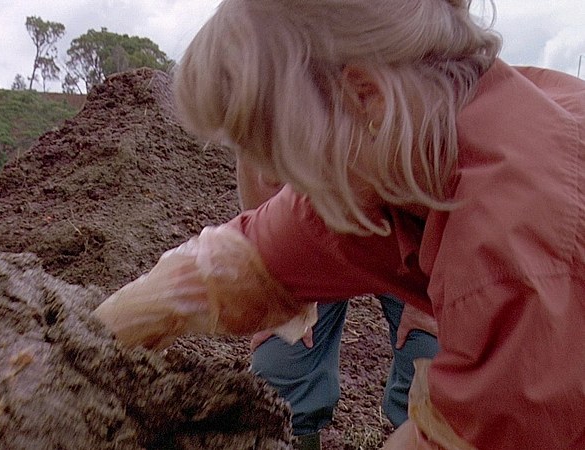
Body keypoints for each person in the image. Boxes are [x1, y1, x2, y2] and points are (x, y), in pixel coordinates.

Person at [93, 0, 585, 448]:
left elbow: (481, 434)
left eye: (279, 149)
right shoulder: (395, 150)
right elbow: (230, 266)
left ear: (365, 96)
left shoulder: (514, 245)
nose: (270, 180)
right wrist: (75, 346)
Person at [239, 158, 439, 450]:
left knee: (435, 366)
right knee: (280, 367)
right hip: (318, 223)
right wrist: (278, 282)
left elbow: (459, 184)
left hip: (417, 231)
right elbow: (257, 166)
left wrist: (431, 291)